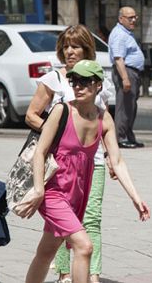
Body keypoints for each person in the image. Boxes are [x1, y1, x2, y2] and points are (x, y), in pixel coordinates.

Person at [19, 60, 150, 283]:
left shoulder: (103, 118)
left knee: (47, 251)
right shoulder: (62, 111)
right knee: (84, 246)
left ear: (98, 85)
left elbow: (117, 161)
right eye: (74, 81)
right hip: (53, 192)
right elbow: (40, 152)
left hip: (77, 195)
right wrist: (39, 190)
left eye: (84, 81)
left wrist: (135, 198)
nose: (77, 86)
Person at [25, 25, 115, 283]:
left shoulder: (98, 80)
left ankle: (91, 275)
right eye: (65, 46)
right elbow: (31, 115)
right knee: (69, 232)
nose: (70, 51)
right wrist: (57, 133)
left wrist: (110, 155)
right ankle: (66, 273)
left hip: (92, 162)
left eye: (75, 46)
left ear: (87, 49)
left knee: (91, 219)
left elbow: (103, 120)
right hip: (60, 165)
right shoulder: (55, 79)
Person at [108, 6, 145, 149]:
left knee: (131, 106)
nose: (134, 20)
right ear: (121, 19)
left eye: (135, 17)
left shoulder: (126, 33)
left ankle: (128, 136)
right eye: (130, 18)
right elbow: (118, 59)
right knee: (124, 106)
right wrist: (125, 79)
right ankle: (120, 137)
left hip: (132, 72)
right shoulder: (119, 34)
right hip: (126, 72)